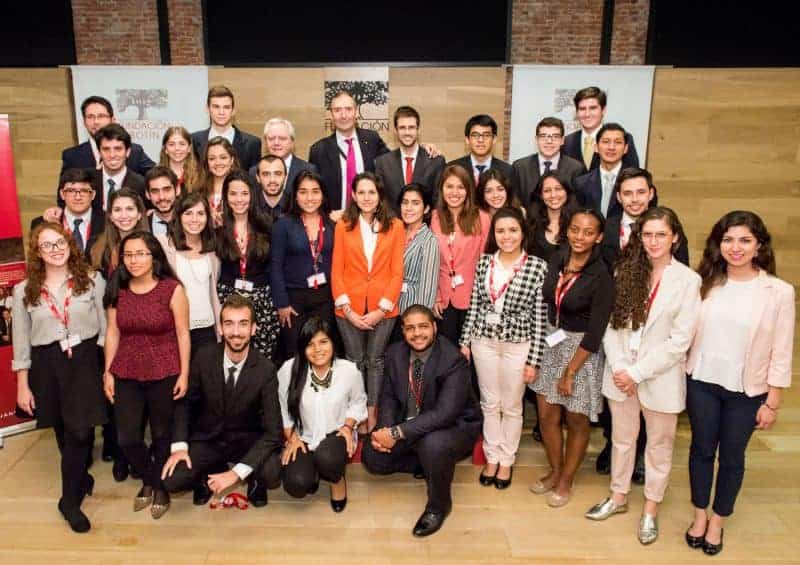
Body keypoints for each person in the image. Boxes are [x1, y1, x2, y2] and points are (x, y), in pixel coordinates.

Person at [585, 207, 701, 545]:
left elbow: (679, 341)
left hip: (658, 378)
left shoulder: (687, 281)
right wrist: (621, 367)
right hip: (621, 375)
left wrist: (637, 372)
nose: (653, 241)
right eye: (647, 234)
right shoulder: (624, 272)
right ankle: (618, 496)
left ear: (675, 237)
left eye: (660, 235)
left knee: (659, 447)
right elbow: (610, 324)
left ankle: (650, 507)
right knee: (622, 441)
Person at [684, 211, 794, 556]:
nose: (736, 247)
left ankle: (718, 520)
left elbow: (782, 348)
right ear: (719, 244)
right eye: (729, 239)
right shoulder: (703, 282)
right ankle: (700, 514)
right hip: (701, 382)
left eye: (745, 240)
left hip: (747, 391)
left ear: (759, 245)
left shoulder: (778, 292)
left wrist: (772, 400)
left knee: (731, 457)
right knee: (701, 450)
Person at [13, 223, 107, 532]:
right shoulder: (23, 290)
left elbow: (107, 329)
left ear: (69, 244)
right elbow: (21, 341)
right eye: (47, 245)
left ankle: (69, 501)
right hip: (46, 364)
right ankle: (80, 477)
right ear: (37, 252)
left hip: (84, 360)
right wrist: (22, 385)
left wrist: (108, 369)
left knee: (81, 433)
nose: (55, 249)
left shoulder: (92, 281)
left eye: (59, 242)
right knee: (63, 432)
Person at [362, 305, 482, 537]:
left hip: (454, 427)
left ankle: (439, 506)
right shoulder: (395, 353)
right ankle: (426, 464)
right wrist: (384, 430)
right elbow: (387, 397)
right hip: (412, 424)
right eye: (410, 328)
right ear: (403, 331)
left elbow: (444, 413)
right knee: (372, 457)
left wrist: (396, 433)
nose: (417, 333)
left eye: (423, 326)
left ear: (435, 327)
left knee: (433, 445)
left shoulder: (453, 360)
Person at [162, 294, 283, 508]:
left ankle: (253, 479)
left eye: (243, 324)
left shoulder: (266, 370)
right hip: (209, 439)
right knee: (173, 479)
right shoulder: (203, 357)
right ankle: (205, 476)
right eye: (229, 324)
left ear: (254, 329)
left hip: (247, 442)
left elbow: (273, 432)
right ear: (220, 328)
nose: (236, 332)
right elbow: (185, 403)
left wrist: (236, 473)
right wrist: (179, 446)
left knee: (272, 472)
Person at [528, 209, 614, 507]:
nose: (580, 237)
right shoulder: (558, 258)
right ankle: (554, 470)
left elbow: (596, 331)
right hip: (553, 342)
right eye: (575, 229)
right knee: (547, 415)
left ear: (599, 237)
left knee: (576, 419)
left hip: (582, 352)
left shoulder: (602, 274)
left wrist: (570, 372)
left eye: (588, 232)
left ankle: (567, 479)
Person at [103, 231, 190, 520]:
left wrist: (185, 373)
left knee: (163, 434)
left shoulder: (172, 289)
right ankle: (153, 480)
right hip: (126, 368)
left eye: (141, 253)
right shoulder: (118, 288)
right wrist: (108, 371)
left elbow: (182, 334)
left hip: (165, 368)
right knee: (127, 438)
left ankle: (157, 486)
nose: (135, 260)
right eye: (128, 255)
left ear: (154, 256)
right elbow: (112, 332)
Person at [459, 207, 548, 489]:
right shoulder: (484, 262)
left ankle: (507, 460)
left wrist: (534, 360)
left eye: (512, 230)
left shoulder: (536, 266)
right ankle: (492, 456)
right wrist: (465, 340)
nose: (506, 236)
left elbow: (539, 317)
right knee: (489, 402)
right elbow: (475, 304)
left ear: (523, 232)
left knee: (511, 405)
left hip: (517, 344)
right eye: (500, 231)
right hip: (483, 341)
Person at [331, 172, 404, 431]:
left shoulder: (395, 226)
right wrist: (347, 309)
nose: (366, 197)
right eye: (361, 192)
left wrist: (381, 310)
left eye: (371, 192)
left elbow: (397, 272)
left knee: (374, 360)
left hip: (383, 307)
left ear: (380, 195)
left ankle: (372, 414)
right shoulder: (343, 225)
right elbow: (336, 270)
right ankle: (356, 413)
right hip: (348, 307)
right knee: (354, 360)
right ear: (353, 195)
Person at [278, 316, 367, 511]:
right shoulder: (288, 370)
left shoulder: (348, 370)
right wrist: (291, 437)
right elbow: (283, 409)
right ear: (302, 347)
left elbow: (359, 401)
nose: (317, 349)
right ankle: (314, 472)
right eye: (310, 344)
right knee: (297, 484)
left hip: (336, 435)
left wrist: (348, 426)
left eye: (323, 342)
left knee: (328, 457)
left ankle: (337, 481)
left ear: (333, 342)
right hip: (304, 437)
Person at [271, 171, 336, 363]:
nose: (310, 198)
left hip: (325, 300)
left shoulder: (333, 224)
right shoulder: (283, 224)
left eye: (315, 191)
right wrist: (281, 303)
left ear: (323, 194)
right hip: (293, 302)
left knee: (323, 353)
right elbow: (275, 266)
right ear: (295, 195)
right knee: (296, 354)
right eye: (303, 192)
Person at [215, 170, 279, 358]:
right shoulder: (217, 227)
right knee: (229, 356)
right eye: (233, 193)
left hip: (262, 301)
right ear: (226, 196)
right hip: (228, 298)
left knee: (261, 359)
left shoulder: (268, 225)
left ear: (253, 195)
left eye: (244, 193)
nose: (239, 199)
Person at [430, 164, 491, 345]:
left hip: (472, 299)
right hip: (443, 300)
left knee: (469, 354)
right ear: (442, 189)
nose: (454, 192)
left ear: (468, 190)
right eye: (449, 186)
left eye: (460, 187)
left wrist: (481, 301)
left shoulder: (482, 218)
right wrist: (434, 297)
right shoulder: (434, 217)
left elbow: (484, 262)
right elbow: (432, 262)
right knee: (446, 354)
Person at [308, 90, 390, 221]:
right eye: (337, 110)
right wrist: (327, 215)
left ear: (356, 112)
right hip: (334, 222)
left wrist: (419, 148)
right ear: (331, 115)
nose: (343, 115)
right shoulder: (318, 150)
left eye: (348, 109)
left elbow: (393, 163)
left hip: (369, 220)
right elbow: (313, 190)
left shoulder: (372, 139)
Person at [156, 191, 221, 353]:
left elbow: (214, 290)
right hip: (174, 329)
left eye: (200, 213)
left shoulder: (213, 250)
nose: (194, 219)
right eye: (188, 213)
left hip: (207, 328)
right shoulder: (164, 246)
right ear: (178, 216)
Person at [601, 167, 680, 270]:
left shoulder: (668, 225)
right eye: (627, 193)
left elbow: (680, 267)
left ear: (651, 194)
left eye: (641, 192)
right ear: (619, 197)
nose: (635, 199)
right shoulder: (604, 228)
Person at [60, 95, 154, 178]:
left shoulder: (135, 151)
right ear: (84, 122)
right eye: (90, 117)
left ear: (113, 120)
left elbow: (157, 178)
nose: (96, 121)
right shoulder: (71, 156)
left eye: (101, 116)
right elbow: (63, 194)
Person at [375, 105, 446, 213]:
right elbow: (381, 200)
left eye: (411, 127)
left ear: (418, 130)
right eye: (402, 128)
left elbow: (438, 200)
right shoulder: (383, 163)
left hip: (425, 226)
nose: (407, 132)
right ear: (396, 131)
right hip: (392, 226)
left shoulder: (436, 161)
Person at [562, 86, 639, 171]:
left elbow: (633, 177)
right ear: (576, 112)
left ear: (603, 110)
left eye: (593, 108)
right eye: (582, 109)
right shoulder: (566, 142)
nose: (587, 114)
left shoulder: (624, 139)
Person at [34, 168, 104, 262]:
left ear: (93, 195)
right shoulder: (41, 224)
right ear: (62, 194)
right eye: (71, 191)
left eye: (84, 191)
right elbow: (37, 262)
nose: (78, 197)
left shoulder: (107, 222)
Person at [512, 117, 586, 206]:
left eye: (555, 136)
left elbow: (578, 204)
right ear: (536, 139)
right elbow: (515, 202)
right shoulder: (520, 167)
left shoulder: (576, 168)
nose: (549, 141)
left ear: (562, 140)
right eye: (543, 136)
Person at [191, 85, 261, 172]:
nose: (221, 112)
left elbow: (254, 180)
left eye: (226, 107)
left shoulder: (252, 144)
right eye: (216, 107)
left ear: (233, 111)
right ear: (207, 109)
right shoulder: (193, 140)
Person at [574, 123, 634, 219]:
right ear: (596, 147)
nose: (611, 147)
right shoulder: (581, 183)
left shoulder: (638, 181)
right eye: (606, 142)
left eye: (618, 142)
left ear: (626, 148)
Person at [84, 124, 147, 213]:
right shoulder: (87, 180)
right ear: (99, 152)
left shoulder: (141, 184)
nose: (112, 155)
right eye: (106, 149)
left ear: (128, 152)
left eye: (118, 149)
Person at [398, 183, 439, 315]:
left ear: (426, 208)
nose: (408, 208)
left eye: (415, 203)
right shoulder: (395, 233)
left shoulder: (429, 241)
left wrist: (419, 318)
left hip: (410, 311)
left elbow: (428, 289)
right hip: (388, 309)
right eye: (405, 202)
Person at [89, 188, 149, 279]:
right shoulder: (94, 245)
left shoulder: (151, 246)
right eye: (117, 210)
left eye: (130, 209)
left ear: (139, 214)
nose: (124, 215)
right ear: (111, 216)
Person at [247, 117, 317, 191]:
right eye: (271, 138)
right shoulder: (254, 172)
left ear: (292, 142)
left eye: (282, 138)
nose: (276, 143)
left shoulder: (308, 170)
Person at [526, 172, 579, 263]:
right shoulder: (531, 223)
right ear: (540, 195)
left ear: (567, 191)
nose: (553, 195)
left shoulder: (578, 221)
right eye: (547, 191)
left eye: (558, 189)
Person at [448, 114, 512, 186]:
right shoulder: (452, 168)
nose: (481, 140)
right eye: (475, 135)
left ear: (494, 139)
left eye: (486, 135)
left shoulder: (507, 170)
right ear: (467, 140)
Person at [197, 136, 239, 228]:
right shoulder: (199, 190)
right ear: (207, 162)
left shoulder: (243, 188)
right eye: (212, 158)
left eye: (223, 157)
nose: (218, 163)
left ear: (231, 160)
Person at [159, 126, 201, 193]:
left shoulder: (200, 175)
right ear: (165, 149)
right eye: (171, 144)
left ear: (189, 148)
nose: (177, 148)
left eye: (182, 144)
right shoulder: (156, 175)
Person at [144, 166, 181, 236]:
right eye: (155, 191)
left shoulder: (191, 221)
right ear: (147, 194)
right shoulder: (142, 225)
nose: (161, 197)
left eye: (167, 190)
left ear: (177, 190)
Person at [254, 154, 290, 220]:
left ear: (286, 177)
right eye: (266, 174)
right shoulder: (249, 207)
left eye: (278, 174)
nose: (272, 180)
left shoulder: (294, 206)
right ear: (258, 178)